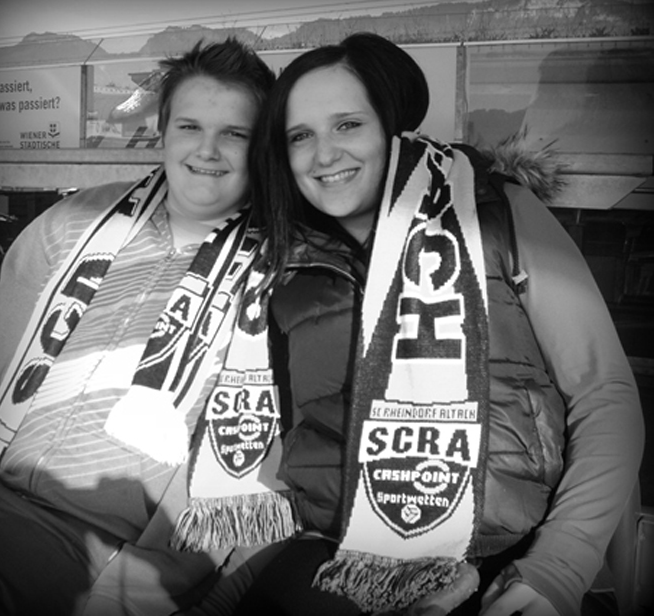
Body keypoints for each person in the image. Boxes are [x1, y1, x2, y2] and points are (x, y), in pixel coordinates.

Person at [226, 32, 644, 616]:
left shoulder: (494, 214)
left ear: (393, 127)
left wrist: (557, 566)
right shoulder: (283, 265)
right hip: (336, 557)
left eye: (348, 125)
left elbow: (603, 393)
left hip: (511, 556)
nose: (324, 155)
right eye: (301, 136)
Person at [0, 37, 281, 616]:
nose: (208, 150)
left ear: (262, 148)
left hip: (103, 554)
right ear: (162, 132)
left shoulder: (282, 275)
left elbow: (252, 460)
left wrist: (131, 593)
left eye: (235, 133)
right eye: (190, 127)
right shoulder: (76, 221)